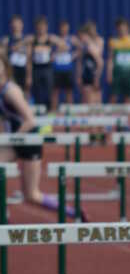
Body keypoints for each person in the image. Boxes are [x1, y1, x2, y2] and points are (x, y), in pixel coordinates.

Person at [0, 55, 82, 219]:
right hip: (16, 140)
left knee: (31, 195)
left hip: (29, 141)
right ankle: (4, 213)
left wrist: (12, 138)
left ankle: (74, 213)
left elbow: (30, 120)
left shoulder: (10, 91)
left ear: (4, 67)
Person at [106, 18, 130, 103]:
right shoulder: (113, 42)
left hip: (129, 73)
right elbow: (110, 59)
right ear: (117, 29)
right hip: (117, 73)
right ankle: (112, 115)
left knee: (128, 96)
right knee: (113, 96)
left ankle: (128, 116)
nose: (122, 30)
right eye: (119, 29)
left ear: (127, 28)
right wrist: (109, 73)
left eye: (123, 28)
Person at [28, 16, 56, 114]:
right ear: (36, 28)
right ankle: (38, 112)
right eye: (39, 27)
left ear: (46, 27)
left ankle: (49, 111)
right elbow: (29, 58)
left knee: (49, 91)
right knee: (37, 92)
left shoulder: (50, 38)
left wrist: (54, 54)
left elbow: (64, 45)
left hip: (47, 68)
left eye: (42, 27)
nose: (41, 29)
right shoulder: (32, 40)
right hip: (36, 68)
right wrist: (29, 76)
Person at [52, 20, 80, 110]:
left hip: (67, 68)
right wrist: (55, 53)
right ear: (59, 29)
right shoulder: (55, 39)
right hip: (57, 68)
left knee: (69, 91)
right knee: (55, 91)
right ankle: (54, 109)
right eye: (62, 28)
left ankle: (69, 110)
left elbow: (81, 47)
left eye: (65, 28)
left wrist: (74, 55)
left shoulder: (71, 39)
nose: (64, 30)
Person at [78, 23, 104, 105]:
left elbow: (100, 61)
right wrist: (79, 75)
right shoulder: (84, 45)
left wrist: (97, 76)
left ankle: (97, 116)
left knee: (96, 97)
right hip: (87, 71)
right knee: (86, 96)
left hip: (95, 71)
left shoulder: (98, 41)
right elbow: (80, 61)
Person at [3, 16, 29, 94]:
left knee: (25, 91)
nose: (16, 26)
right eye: (14, 24)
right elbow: (3, 57)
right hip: (12, 69)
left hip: (23, 69)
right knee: (12, 90)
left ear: (22, 25)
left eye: (18, 24)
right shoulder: (6, 40)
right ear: (11, 26)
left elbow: (29, 58)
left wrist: (28, 75)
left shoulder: (27, 40)